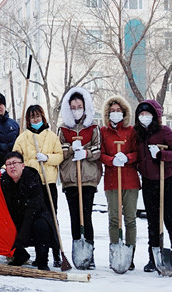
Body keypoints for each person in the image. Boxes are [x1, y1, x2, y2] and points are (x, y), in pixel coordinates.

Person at [133, 100, 172, 274]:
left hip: (166, 180)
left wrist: (162, 154)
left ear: (155, 115)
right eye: (141, 114)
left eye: (147, 114)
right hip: (148, 181)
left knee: (170, 220)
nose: (144, 117)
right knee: (153, 222)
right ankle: (153, 258)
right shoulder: (137, 133)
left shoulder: (164, 131)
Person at [12, 104, 63, 268]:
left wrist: (47, 157)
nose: (35, 120)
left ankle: (57, 252)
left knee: (51, 219)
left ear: (43, 117)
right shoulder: (23, 138)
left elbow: (60, 156)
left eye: (37, 116)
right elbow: (16, 157)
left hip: (48, 183)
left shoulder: (52, 136)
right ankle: (40, 252)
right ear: (28, 120)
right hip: (31, 186)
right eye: (32, 117)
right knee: (34, 220)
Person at [57, 86, 101, 269]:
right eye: (73, 107)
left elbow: (98, 149)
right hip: (70, 179)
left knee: (86, 216)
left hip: (88, 177)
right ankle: (78, 251)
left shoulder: (93, 128)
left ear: (85, 107)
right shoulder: (63, 129)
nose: (76, 110)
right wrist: (69, 149)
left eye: (79, 107)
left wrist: (85, 153)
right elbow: (58, 150)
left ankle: (89, 254)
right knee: (75, 217)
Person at [99, 96, 139, 271]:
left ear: (124, 113)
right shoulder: (103, 131)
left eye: (118, 111)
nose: (115, 114)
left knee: (130, 219)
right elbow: (100, 154)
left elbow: (138, 153)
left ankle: (129, 255)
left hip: (130, 181)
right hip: (112, 180)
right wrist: (111, 160)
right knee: (114, 218)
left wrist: (127, 157)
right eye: (112, 111)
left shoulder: (131, 131)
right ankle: (115, 253)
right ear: (107, 114)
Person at [0, 151, 57, 271]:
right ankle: (20, 256)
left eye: (15, 163)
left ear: (23, 165)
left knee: (41, 225)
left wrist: (22, 236)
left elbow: (34, 207)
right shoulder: (3, 181)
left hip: (34, 216)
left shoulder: (32, 177)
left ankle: (42, 261)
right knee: (2, 226)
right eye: (8, 164)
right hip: (15, 217)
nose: (12, 166)